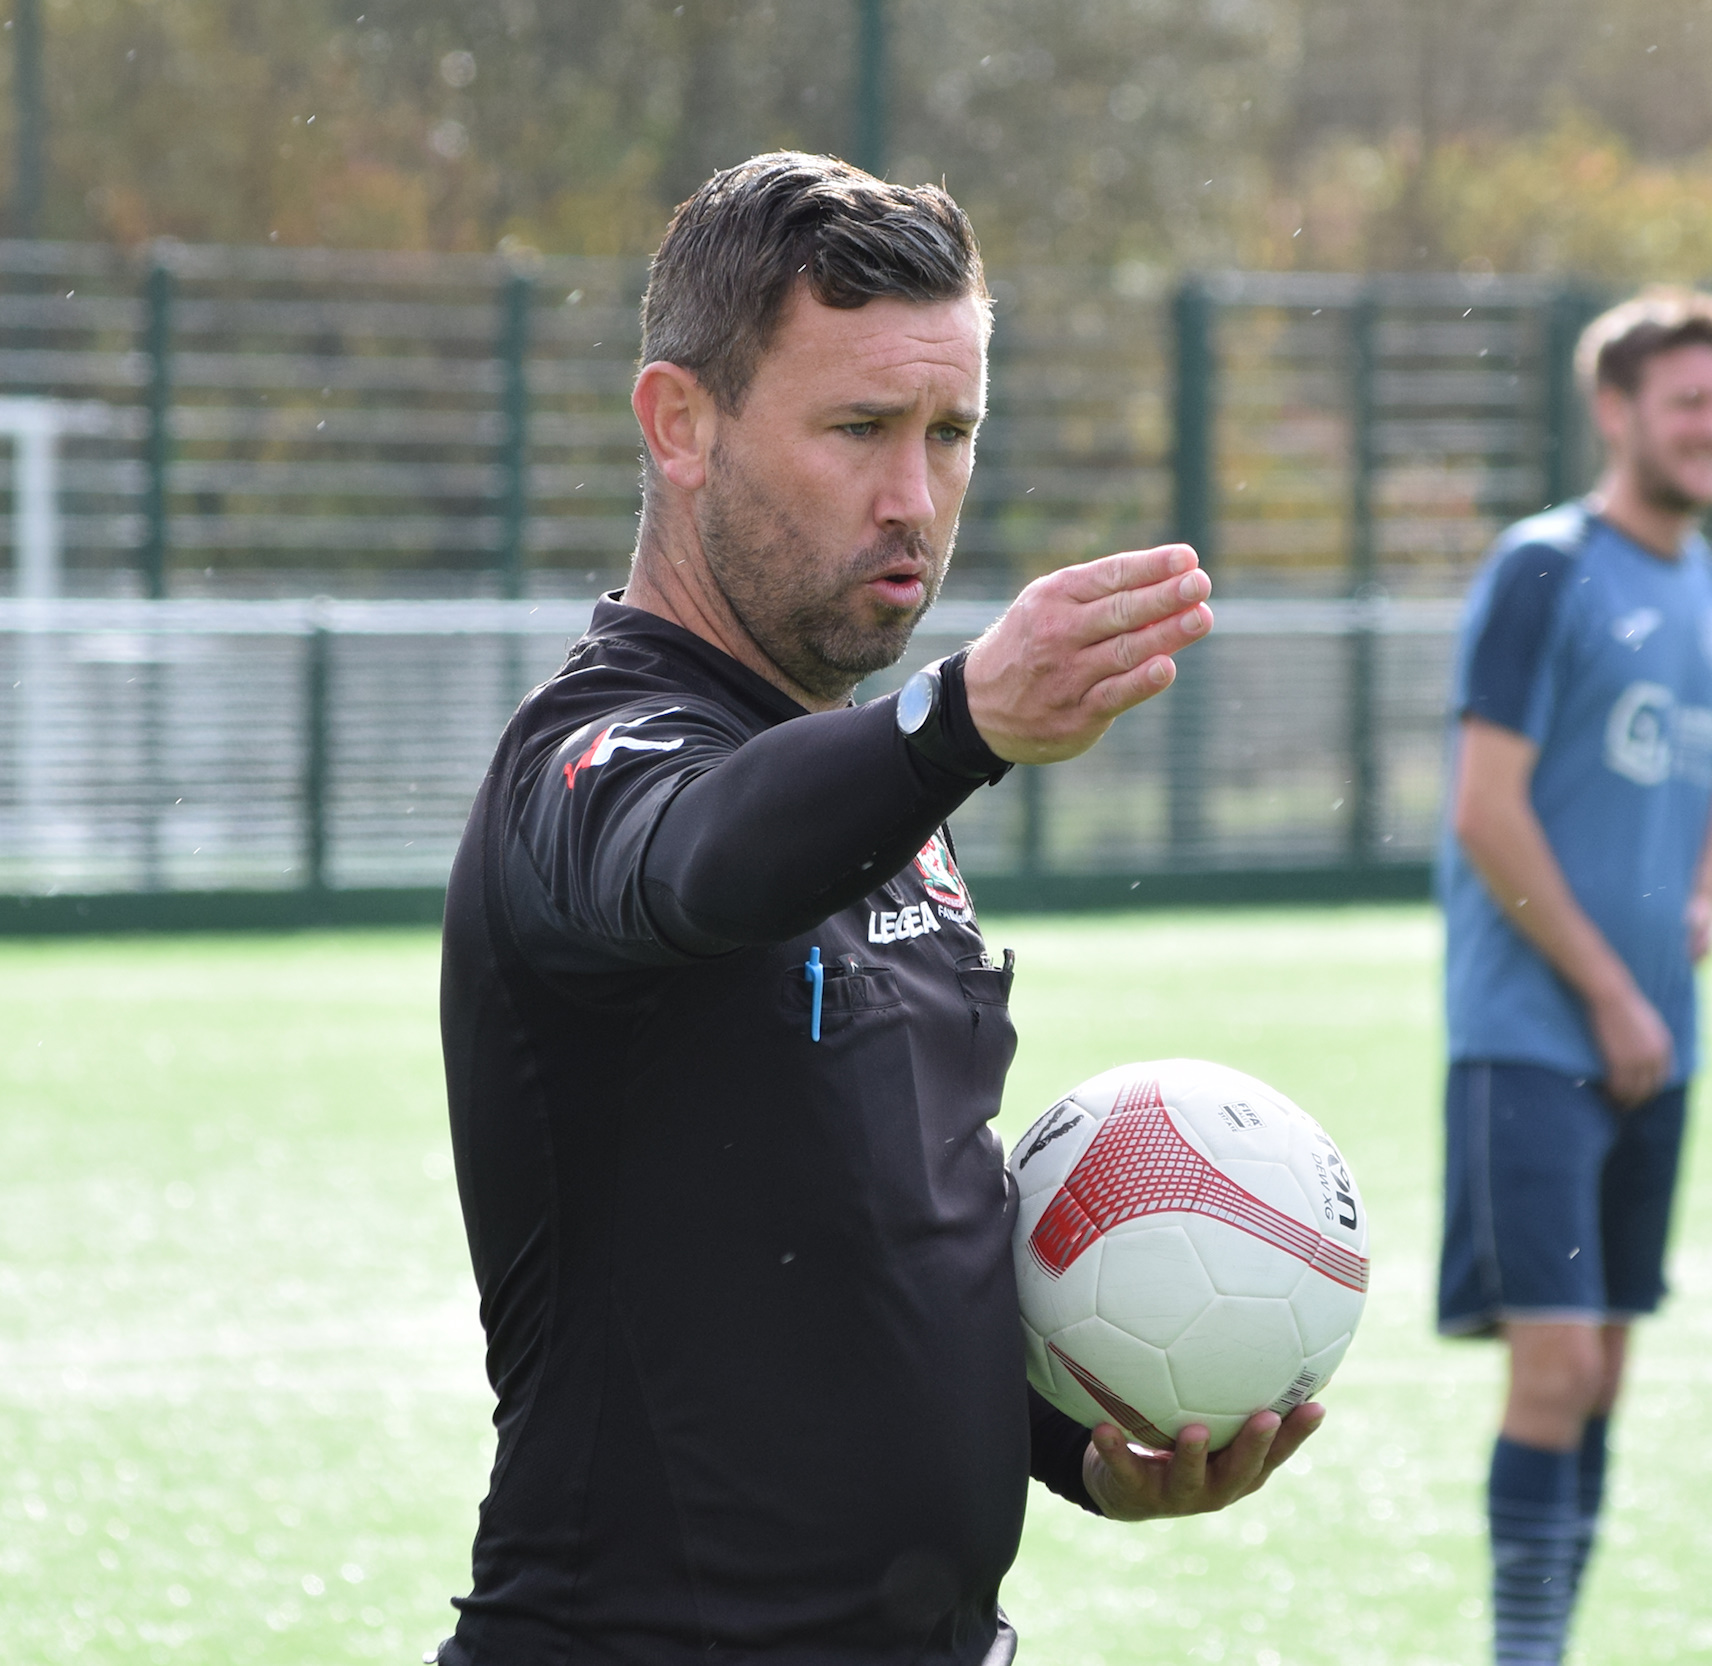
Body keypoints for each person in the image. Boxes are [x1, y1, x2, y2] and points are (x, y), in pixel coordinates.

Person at [433, 152, 1321, 1666]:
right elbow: (699, 859)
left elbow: (865, 1227)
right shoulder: (587, 760)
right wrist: (958, 719)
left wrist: (1078, 1442)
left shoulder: (883, 797)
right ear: (682, 424)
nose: (915, 497)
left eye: (950, 431)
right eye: (858, 428)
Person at [1434, 287, 1712, 1665]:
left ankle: (1554, 1643)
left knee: (1611, 1364)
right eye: (1689, 400)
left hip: (1656, 1043)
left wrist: (1702, 894)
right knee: (1556, 1363)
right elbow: (1484, 806)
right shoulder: (1546, 567)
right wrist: (1614, 993)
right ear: (1617, 411)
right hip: (1531, 1039)